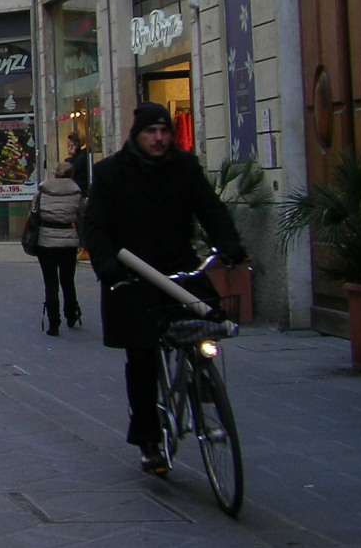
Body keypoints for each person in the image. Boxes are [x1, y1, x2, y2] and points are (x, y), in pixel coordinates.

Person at [83, 103, 246, 474]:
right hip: (133, 273)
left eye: (164, 131)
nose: (158, 138)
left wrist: (229, 245)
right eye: (150, 132)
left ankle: (201, 375)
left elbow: (210, 208)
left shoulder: (184, 167)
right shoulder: (111, 173)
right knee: (141, 357)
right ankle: (149, 440)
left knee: (210, 318)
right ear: (136, 135)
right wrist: (106, 263)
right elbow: (96, 224)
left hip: (178, 268)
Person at [32, 160, 83, 335]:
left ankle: (54, 322)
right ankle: (71, 314)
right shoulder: (76, 194)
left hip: (46, 241)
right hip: (68, 240)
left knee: (51, 283)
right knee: (68, 281)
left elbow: (34, 214)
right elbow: (81, 216)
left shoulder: (42, 192)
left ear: (54, 174)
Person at [66, 131, 92, 196]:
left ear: (76, 145)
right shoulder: (77, 156)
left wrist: (71, 156)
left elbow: (70, 169)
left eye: (69, 145)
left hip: (81, 190)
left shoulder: (82, 156)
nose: (68, 147)